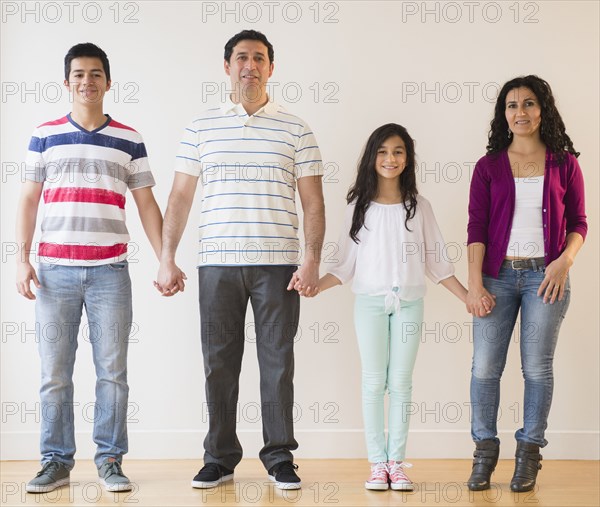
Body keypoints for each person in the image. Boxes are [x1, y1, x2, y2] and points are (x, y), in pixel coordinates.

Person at [156, 29, 325, 490]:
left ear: (271, 68)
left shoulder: (297, 128)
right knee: (219, 362)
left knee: (278, 362)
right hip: (217, 264)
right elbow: (179, 199)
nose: (250, 65)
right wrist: (166, 258)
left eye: (259, 58)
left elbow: (313, 203)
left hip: (278, 264)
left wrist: (310, 260)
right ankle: (220, 457)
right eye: (241, 58)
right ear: (227, 66)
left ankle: (278, 456)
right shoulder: (200, 127)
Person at [15, 43, 163, 493]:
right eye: (78, 74)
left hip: (110, 274)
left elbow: (146, 204)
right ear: (67, 82)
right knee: (54, 374)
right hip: (54, 274)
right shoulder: (44, 135)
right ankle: (56, 461)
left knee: (112, 373)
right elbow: (27, 198)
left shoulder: (129, 139)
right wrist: (21, 259)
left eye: (95, 74)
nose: (87, 81)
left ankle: (111, 459)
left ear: (108, 82)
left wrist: (166, 260)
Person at [313, 123, 475, 491]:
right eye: (383, 151)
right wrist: (314, 286)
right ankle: (376, 464)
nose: (390, 158)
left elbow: (437, 264)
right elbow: (342, 268)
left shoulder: (420, 208)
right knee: (374, 383)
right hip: (369, 304)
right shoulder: (359, 208)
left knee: (400, 383)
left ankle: (396, 464)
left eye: (398, 151)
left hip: (409, 304)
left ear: (408, 158)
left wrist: (467, 295)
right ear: (372, 157)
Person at [465, 75, 587, 492]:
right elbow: (476, 227)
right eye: (512, 105)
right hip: (495, 278)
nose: (521, 112)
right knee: (485, 368)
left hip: (545, 279)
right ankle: (484, 452)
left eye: (529, 104)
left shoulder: (565, 163)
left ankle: (529, 455)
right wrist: (474, 282)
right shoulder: (489, 166)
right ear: (504, 114)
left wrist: (563, 263)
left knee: (537, 368)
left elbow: (579, 223)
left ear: (543, 109)